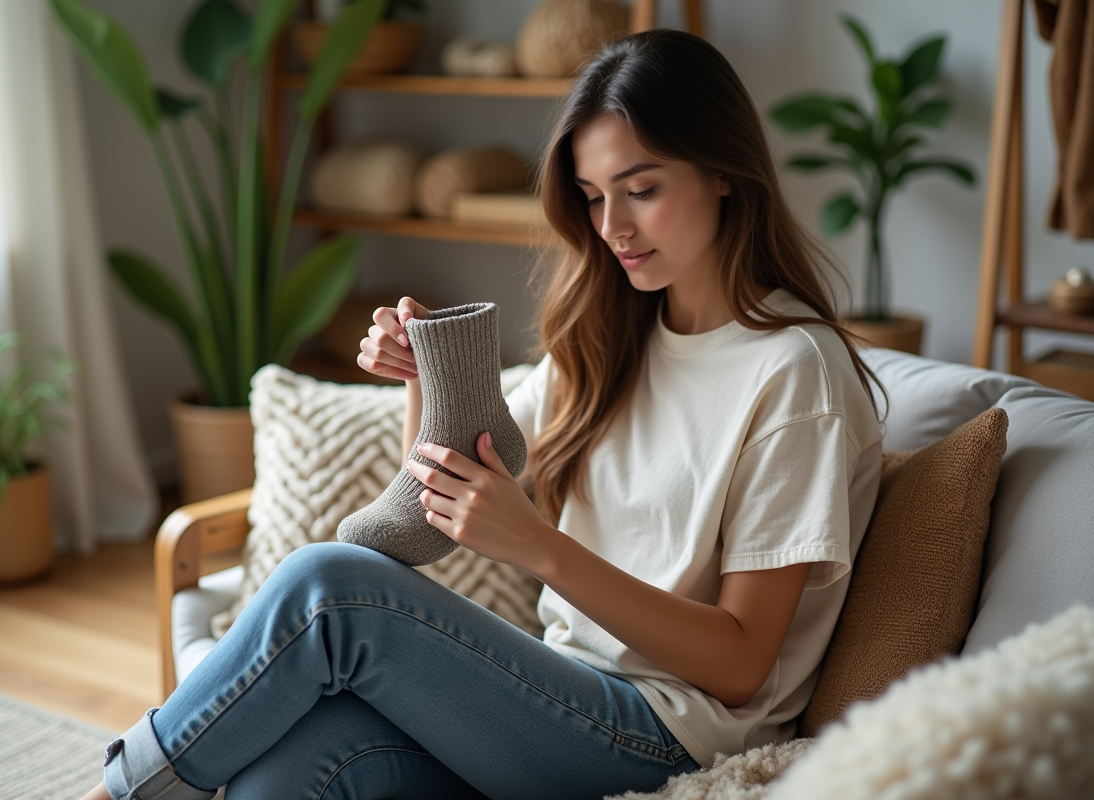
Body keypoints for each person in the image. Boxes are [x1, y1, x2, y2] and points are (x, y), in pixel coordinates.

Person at [83, 28, 883, 800]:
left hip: (671, 735)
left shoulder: (794, 371)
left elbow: (741, 665)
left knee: (326, 585)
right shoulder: (612, 339)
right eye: (593, 197)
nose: (613, 228)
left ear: (723, 174)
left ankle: (115, 794)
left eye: (642, 190)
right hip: (560, 694)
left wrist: (539, 547)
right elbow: (428, 510)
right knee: (301, 757)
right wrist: (424, 376)